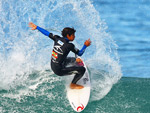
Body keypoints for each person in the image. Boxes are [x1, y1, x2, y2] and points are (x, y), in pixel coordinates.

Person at [29, 22, 91, 89]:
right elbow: (80, 53)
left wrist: (37, 27)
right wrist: (85, 45)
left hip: (53, 65)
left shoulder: (57, 38)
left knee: (71, 59)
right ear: (68, 35)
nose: (74, 36)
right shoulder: (69, 45)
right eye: (73, 35)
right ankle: (73, 84)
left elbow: (47, 33)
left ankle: (75, 62)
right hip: (59, 70)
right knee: (82, 70)